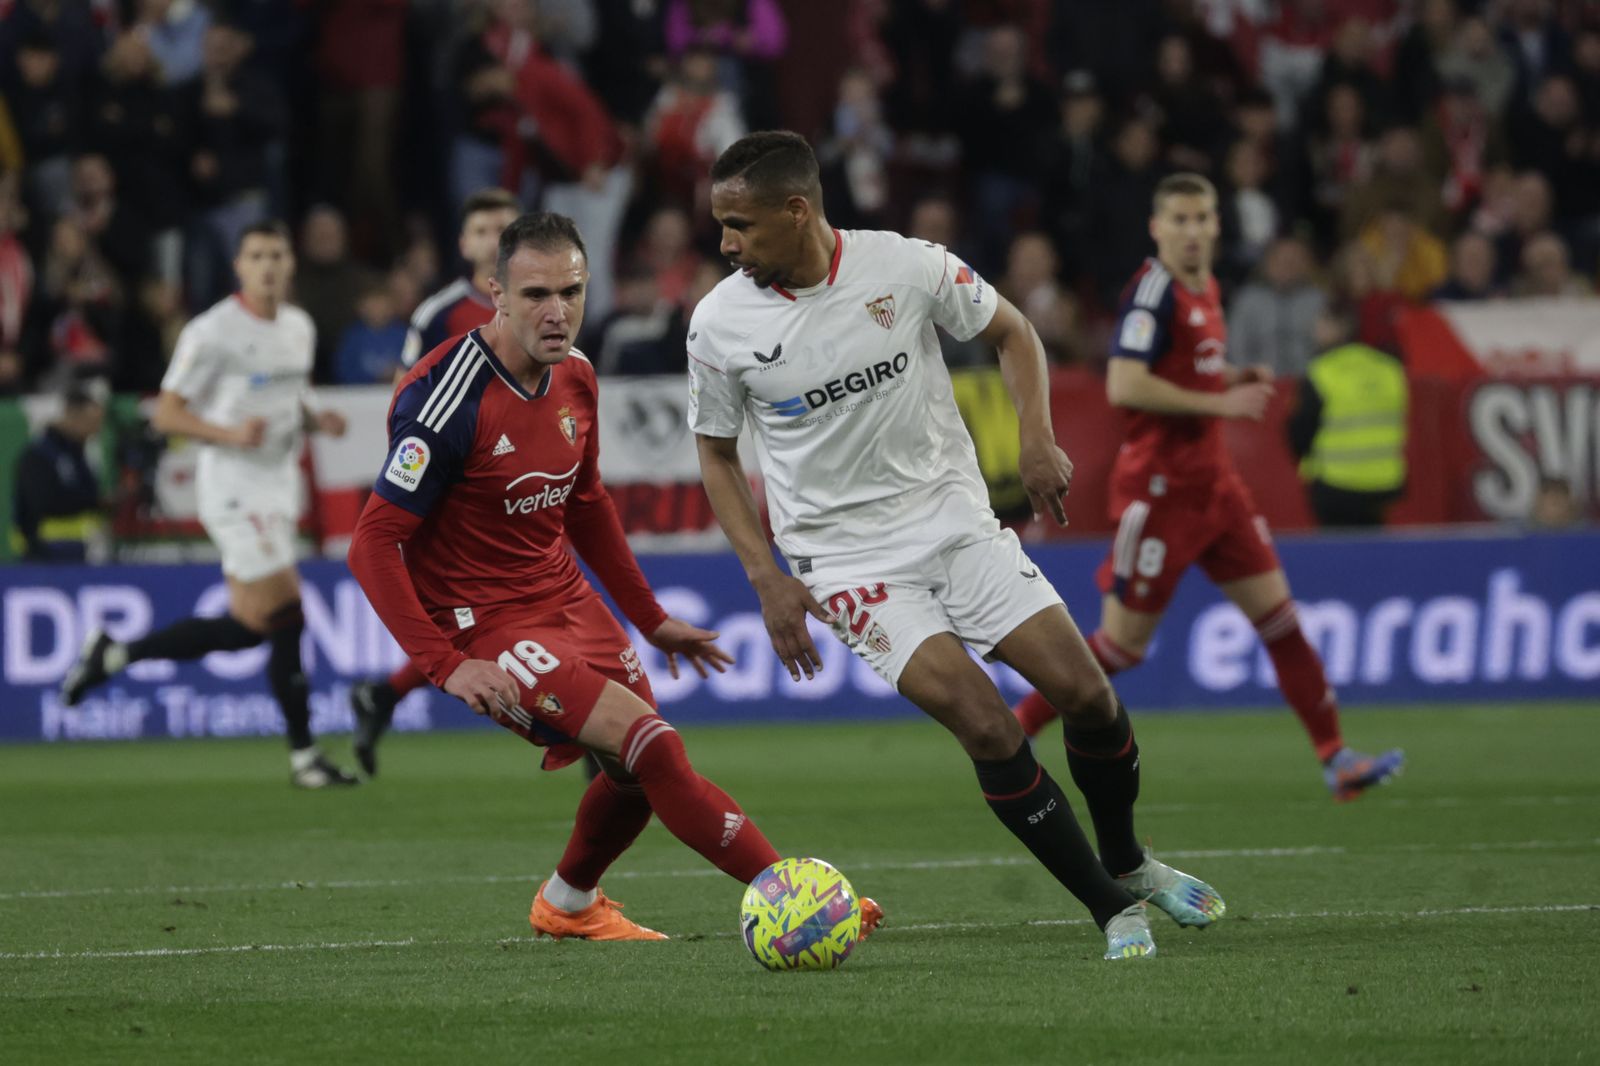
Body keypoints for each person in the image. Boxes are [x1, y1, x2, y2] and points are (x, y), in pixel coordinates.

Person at [689, 131, 1221, 961]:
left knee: (1085, 694)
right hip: (845, 561)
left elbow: (1014, 332)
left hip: (955, 522)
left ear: (797, 211)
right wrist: (767, 576)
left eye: (740, 225)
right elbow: (716, 455)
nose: (726, 244)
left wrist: (1036, 436)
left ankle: (1127, 858)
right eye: (720, 225)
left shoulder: (903, 267)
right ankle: (1110, 907)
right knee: (985, 723)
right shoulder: (719, 324)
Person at [345, 211, 881, 941]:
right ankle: (794, 895)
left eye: (571, 290)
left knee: (634, 769)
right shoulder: (447, 398)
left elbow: (586, 504)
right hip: (486, 623)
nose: (557, 310)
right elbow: (372, 544)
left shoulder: (578, 377)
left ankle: (567, 903)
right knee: (651, 745)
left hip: (565, 596)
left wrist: (649, 616)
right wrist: (445, 666)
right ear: (495, 294)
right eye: (535, 294)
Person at [1011, 174, 1405, 802]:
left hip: (1216, 491)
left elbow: (1185, 367)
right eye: (1181, 221)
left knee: (1281, 622)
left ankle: (1337, 758)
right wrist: (1220, 404)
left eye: (1202, 219)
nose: (1193, 232)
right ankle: (1019, 726)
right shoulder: (1153, 293)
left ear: (1218, 225)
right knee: (1122, 646)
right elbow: (1124, 385)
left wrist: (1226, 375)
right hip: (1160, 493)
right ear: (1157, 228)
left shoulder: (1207, 287)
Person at [59, 221, 358, 788]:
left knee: (253, 625)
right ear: (238, 268)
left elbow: (291, 394)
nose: (268, 265)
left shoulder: (298, 325)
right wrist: (228, 435)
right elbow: (167, 413)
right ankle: (304, 758)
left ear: (289, 265)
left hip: (277, 485)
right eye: (256, 256)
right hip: (233, 484)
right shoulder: (212, 331)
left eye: (277, 254)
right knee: (289, 611)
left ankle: (114, 654)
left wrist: (319, 417)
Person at [346, 188, 522, 774]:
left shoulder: (540, 302)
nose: (497, 236)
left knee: (530, 602)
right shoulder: (438, 314)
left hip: (524, 479)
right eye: (484, 228)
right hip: (460, 487)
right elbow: (409, 402)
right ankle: (594, 735)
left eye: (507, 225)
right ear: (465, 243)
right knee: (487, 615)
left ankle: (386, 694)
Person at [1287, 304, 1408, 528]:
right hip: (1384, 483)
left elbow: (1300, 430)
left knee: (1338, 556)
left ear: (1340, 327)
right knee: (1376, 552)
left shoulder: (1322, 371)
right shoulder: (1389, 368)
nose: (1316, 330)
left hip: (1335, 484)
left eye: (1322, 324)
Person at [12, 374, 108, 562]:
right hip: (46, 554)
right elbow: (44, 501)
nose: (96, 429)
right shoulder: (40, 455)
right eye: (93, 422)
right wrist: (94, 502)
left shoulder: (77, 454)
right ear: (74, 415)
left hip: (80, 551)